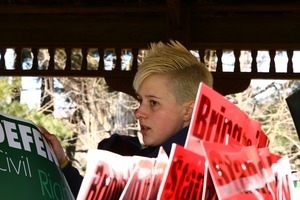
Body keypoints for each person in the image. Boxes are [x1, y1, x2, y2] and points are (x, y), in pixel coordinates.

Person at [41, 40, 213, 198]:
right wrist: (63, 162)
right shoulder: (151, 162)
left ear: (188, 110)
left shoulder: (200, 177)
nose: (139, 112)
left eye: (153, 102)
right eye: (140, 100)